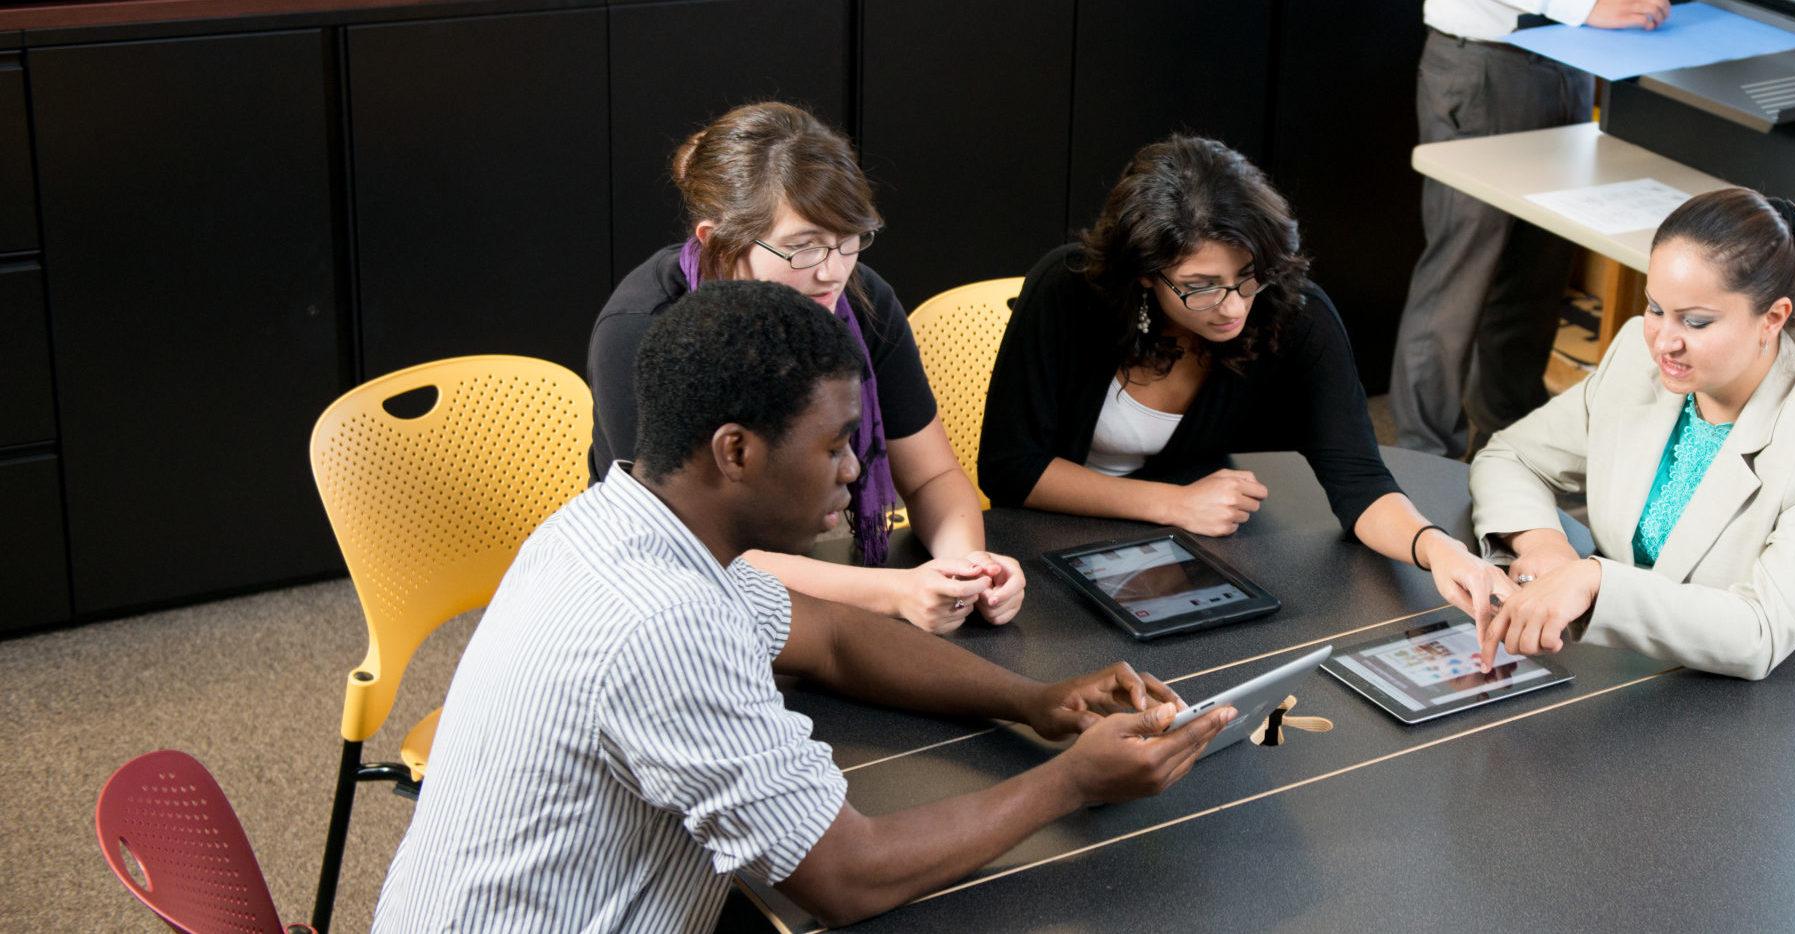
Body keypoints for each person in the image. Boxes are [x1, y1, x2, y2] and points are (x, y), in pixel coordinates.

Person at [376, 281, 1231, 932]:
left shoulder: (613, 525)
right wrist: (1072, 781)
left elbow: (828, 638)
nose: (856, 474)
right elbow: (844, 876)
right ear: (736, 452)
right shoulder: (662, 622)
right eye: (831, 447)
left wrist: (1035, 702)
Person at [978, 135, 1512, 620]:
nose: (1232, 307)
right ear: (1144, 271)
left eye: (1247, 275)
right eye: (1200, 286)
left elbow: (1360, 481)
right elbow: (1011, 470)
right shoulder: (1069, 293)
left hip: (1184, 550)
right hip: (1049, 540)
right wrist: (1172, 502)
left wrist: (1439, 550)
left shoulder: (1292, 313)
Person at [1465, 188, 1795, 699]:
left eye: (1696, 321)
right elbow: (1511, 456)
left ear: (1773, 319)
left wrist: (1594, 582)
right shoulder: (1638, 357)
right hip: (1685, 678)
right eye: (1655, 308)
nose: (1665, 341)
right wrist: (1547, 549)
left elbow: (1759, 633)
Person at [589, 102, 1023, 635]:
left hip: (822, 571)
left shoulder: (861, 301)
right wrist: (896, 591)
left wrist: (965, 572)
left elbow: (932, 475)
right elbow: (691, 548)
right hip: (668, 599)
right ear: (716, 242)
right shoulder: (641, 330)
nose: (832, 271)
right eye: (803, 248)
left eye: (848, 241)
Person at [1388, 0, 1671, 458]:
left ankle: (1509, 450)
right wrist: (1586, 5)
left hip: (1575, 57)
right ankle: (1422, 462)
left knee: (1537, 275)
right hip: (1487, 61)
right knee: (1460, 277)